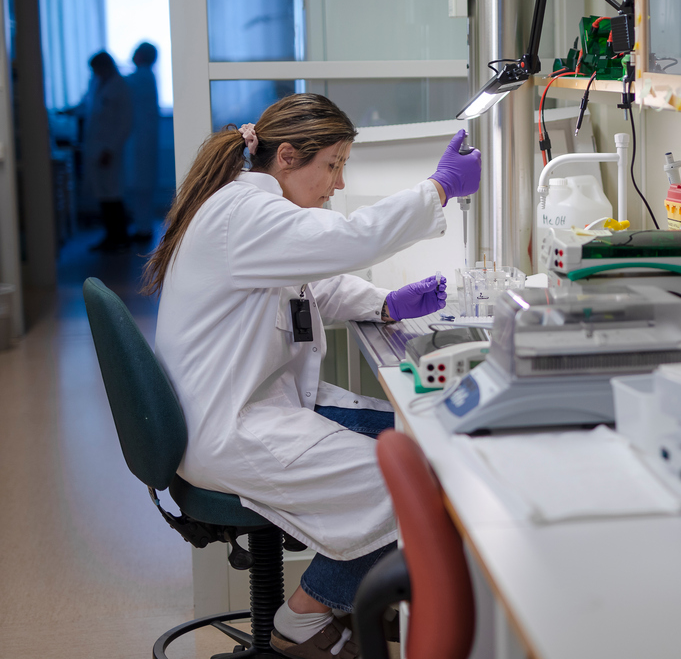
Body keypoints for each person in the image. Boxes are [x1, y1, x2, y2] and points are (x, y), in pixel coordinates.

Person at [143, 94, 480, 659]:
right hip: (231, 428)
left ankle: (354, 600)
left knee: (420, 442)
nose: (338, 184)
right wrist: (437, 188)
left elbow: (307, 287)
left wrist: (387, 304)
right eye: (334, 165)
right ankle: (304, 616)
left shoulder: (249, 212)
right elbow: (344, 241)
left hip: (255, 405)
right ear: (288, 157)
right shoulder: (244, 215)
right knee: (409, 487)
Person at [78, 51, 133, 251]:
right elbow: (88, 108)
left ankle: (119, 237)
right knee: (103, 193)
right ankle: (111, 236)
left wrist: (110, 149)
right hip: (94, 147)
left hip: (109, 150)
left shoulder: (120, 87)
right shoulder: (96, 85)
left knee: (112, 193)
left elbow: (125, 123)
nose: (96, 73)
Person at [123, 42, 161, 243]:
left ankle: (143, 229)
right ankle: (142, 226)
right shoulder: (145, 76)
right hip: (141, 140)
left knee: (142, 186)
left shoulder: (142, 76)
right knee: (141, 185)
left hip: (141, 141)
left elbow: (122, 84)